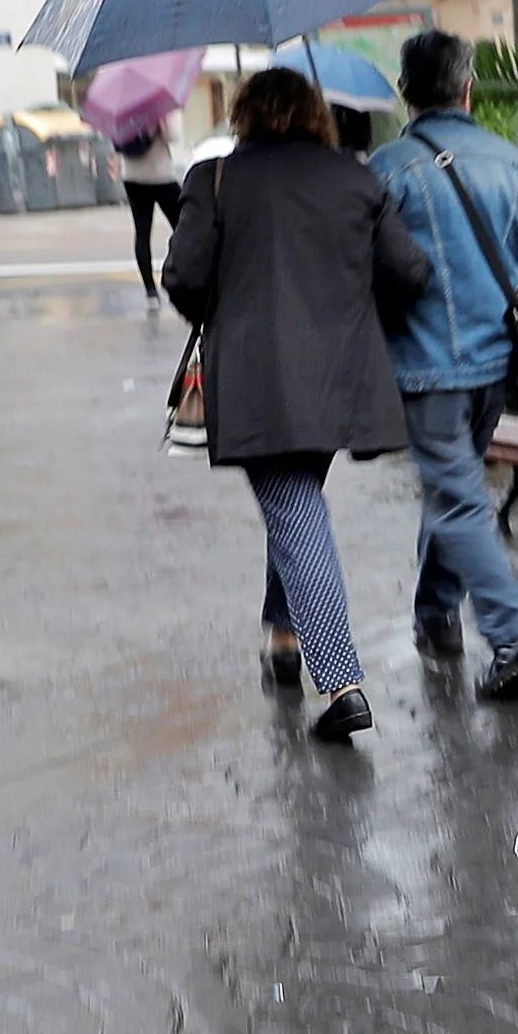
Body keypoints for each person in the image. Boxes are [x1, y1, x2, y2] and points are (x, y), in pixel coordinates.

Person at [164, 66, 433, 742]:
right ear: (316, 112)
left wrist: (223, 310)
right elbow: (408, 272)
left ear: (245, 115)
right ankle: (283, 635)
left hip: (257, 378)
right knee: (296, 499)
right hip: (340, 375)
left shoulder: (215, 180)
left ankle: (342, 681)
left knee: (294, 507)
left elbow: (184, 277)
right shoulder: (356, 178)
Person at [367, 30, 518, 700]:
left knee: (455, 499)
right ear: (468, 88)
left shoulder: (386, 169)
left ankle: (512, 633)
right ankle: (435, 615)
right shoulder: (514, 161)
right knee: (451, 491)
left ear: (405, 93)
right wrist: (511, 308)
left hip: (427, 369)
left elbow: (369, 269)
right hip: (496, 370)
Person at [115, 113, 190, 307]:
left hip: (131, 175)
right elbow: (173, 136)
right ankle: (188, 275)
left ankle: (150, 292)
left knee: (142, 232)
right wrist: (159, 124)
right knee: (185, 226)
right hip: (160, 175)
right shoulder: (160, 105)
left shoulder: (123, 106)